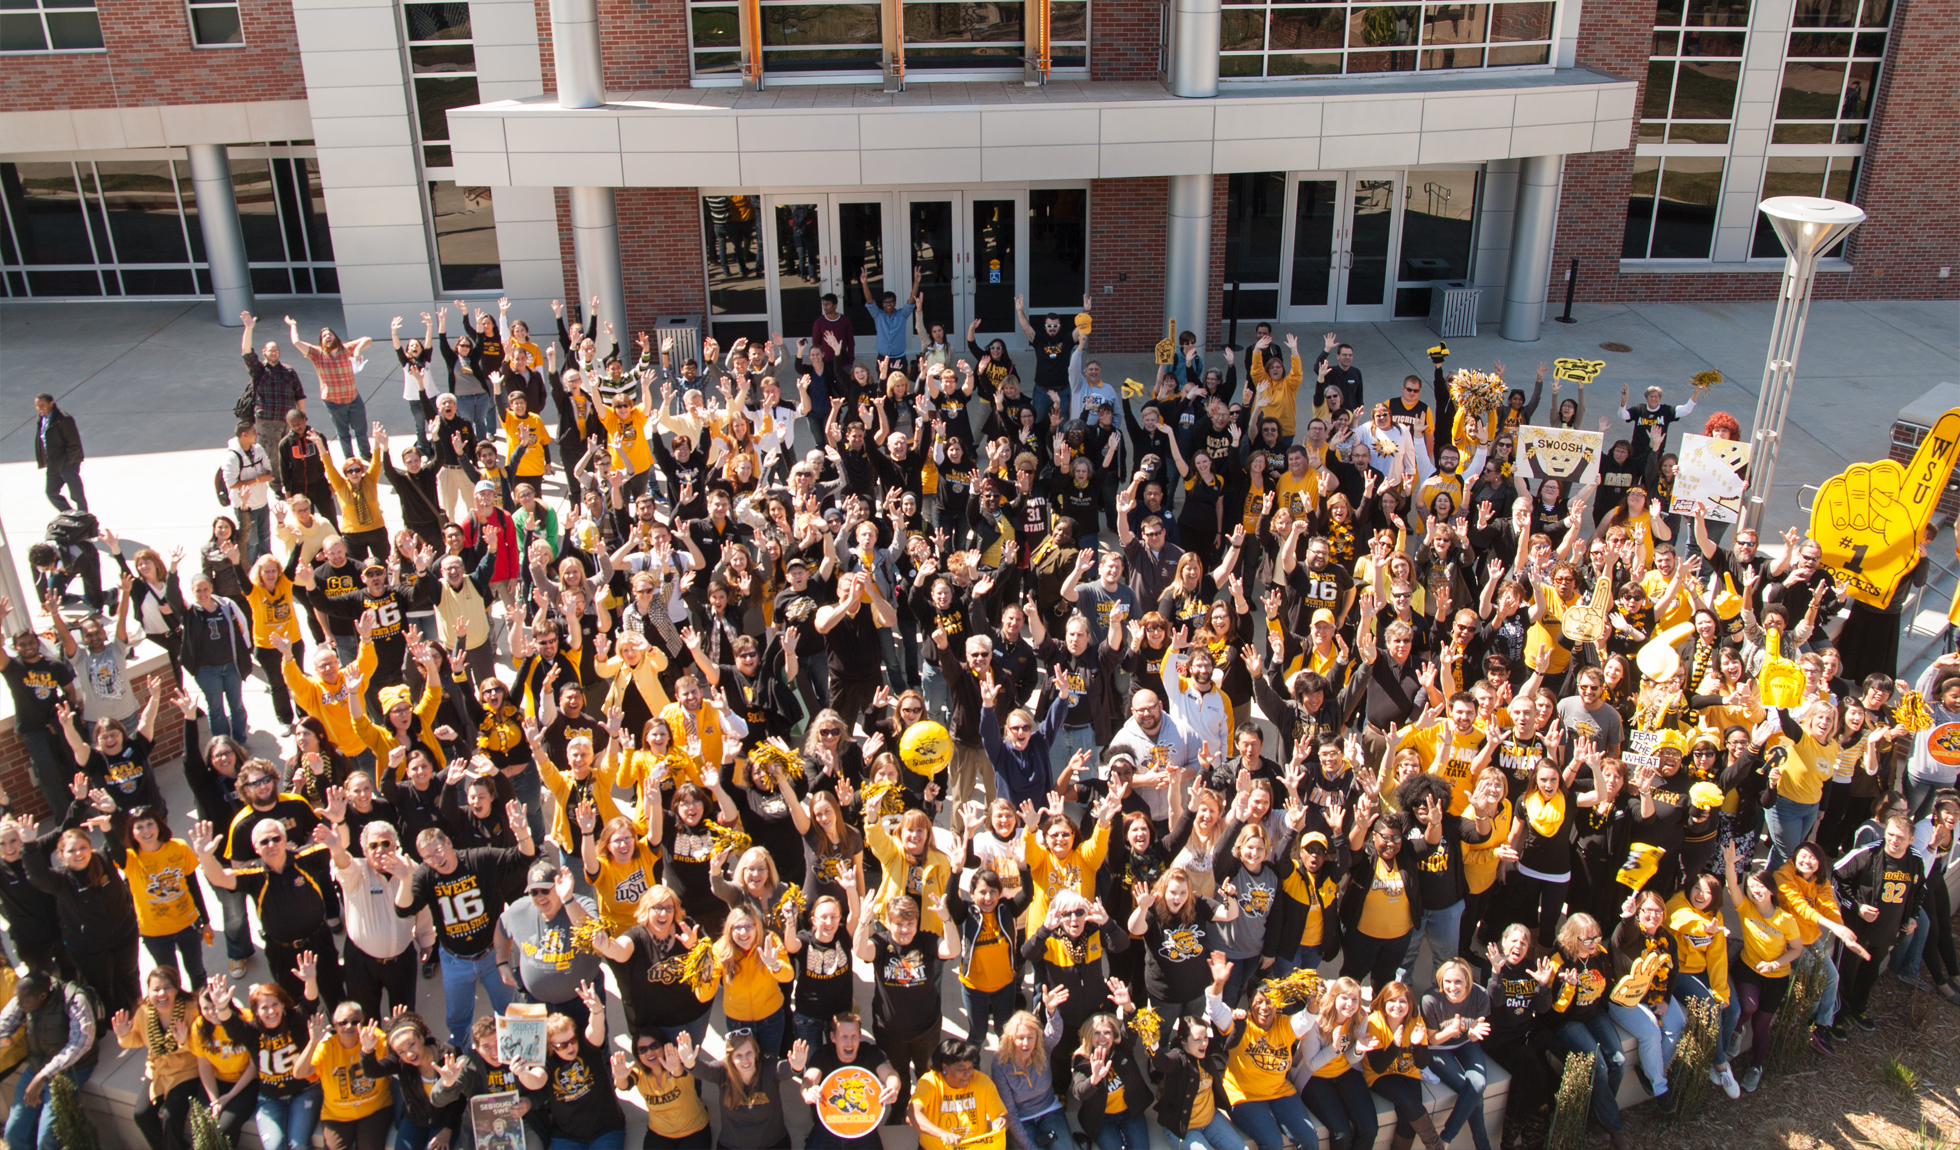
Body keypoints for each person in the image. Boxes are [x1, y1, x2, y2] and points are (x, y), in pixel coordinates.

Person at [393, 814, 539, 1047]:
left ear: (449, 843)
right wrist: (404, 879)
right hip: (455, 961)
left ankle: (524, 1057)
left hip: (492, 955)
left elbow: (523, 858)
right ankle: (463, 1063)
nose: (436, 859)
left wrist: (522, 832)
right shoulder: (425, 875)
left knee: (510, 1010)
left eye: (438, 850)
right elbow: (404, 910)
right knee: (458, 1019)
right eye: (428, 857)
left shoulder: (478, 859)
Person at [0, 970, 101, 1150]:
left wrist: (43, 1076)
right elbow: (4, 1023)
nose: (19, 1004)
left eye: (24, 1000)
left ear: (42, 996)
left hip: (71, 1070)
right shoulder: (26, 995)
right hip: (38, 1066)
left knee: (47, 1139)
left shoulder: (74, 999)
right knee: (13, 1134)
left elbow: (81, 1043)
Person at [913, 1037, 1009, 1150]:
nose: (968, 1073)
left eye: (970, 1067)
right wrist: (941, 1134)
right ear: (945, 1067)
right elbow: (913, 1116)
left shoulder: (982, 1081)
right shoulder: (929, 1082)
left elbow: (1002, 1115)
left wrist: (1001, 1121)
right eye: (961, 1068)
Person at [31, 393, 86, 513]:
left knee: (76, 494)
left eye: (42, 405)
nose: (40, 408)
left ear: (51, 403)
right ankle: (71, 515)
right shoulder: (41, 418)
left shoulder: (63, 419)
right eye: (37, 405)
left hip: (67, 463)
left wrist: (68, 462)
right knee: (51, 492)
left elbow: (74, 443)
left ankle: (85, 520)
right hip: (53, 462)